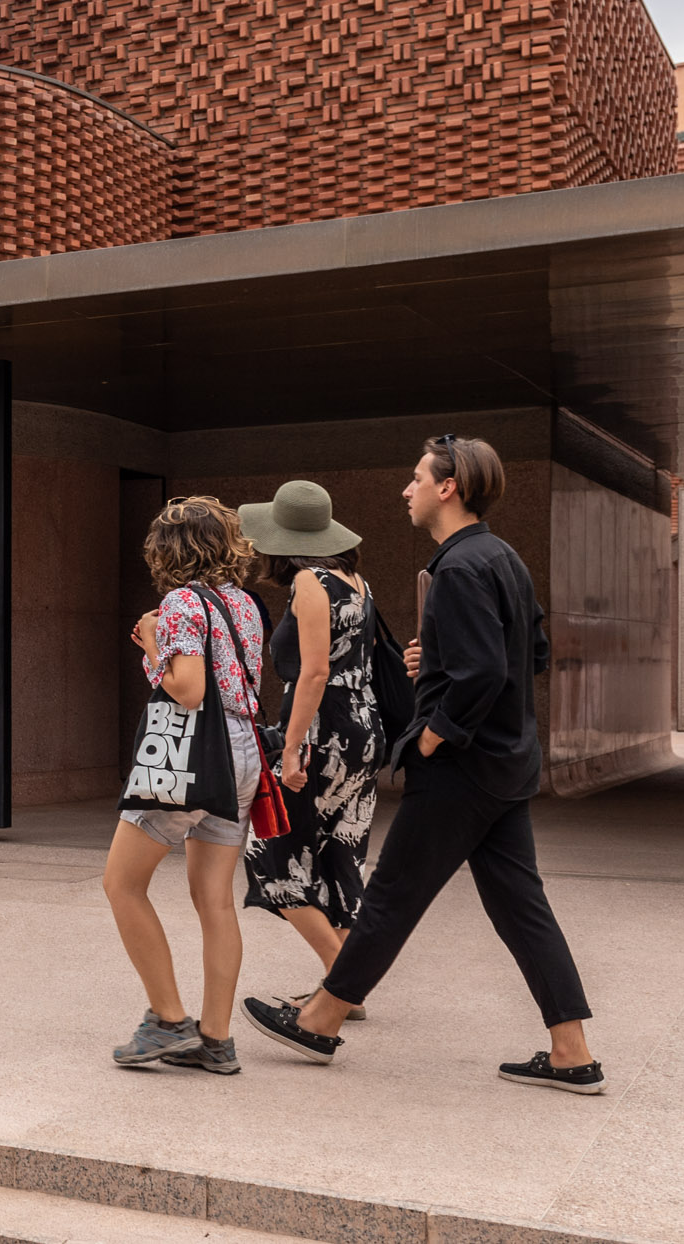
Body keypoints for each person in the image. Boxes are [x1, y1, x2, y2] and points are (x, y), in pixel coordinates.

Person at [243, 436, 604, 1095]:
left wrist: (437, 735)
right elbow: (535, 652)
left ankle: (320, 1020)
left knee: (390, 897)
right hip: (507, 763)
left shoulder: (460, 568)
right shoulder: (502, 558)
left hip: (462, 769)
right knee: (522, 908)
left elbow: (487, 671)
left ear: (449, 488)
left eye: (416, 479)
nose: (405, 491)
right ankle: (571, 1050)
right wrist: (431, 664)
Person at [106, 496, 266, 1076]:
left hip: (192, 756)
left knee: (121, 883)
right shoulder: (244, 602)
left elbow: (189, 689)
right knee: (216, 900)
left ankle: (168, 1021)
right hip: (244, 755)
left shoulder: (178, 604)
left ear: (166, 550)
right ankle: (216, 1040)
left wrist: (151, 646)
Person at [237, 482, 388, 1006]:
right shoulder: (356, 581)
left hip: (324, 733)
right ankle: (344, 987)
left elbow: (316, 672)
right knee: (337, 855)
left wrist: (294, 748)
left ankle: (341, 987)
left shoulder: (309, 583)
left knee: (271, 853)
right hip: (363, 731)